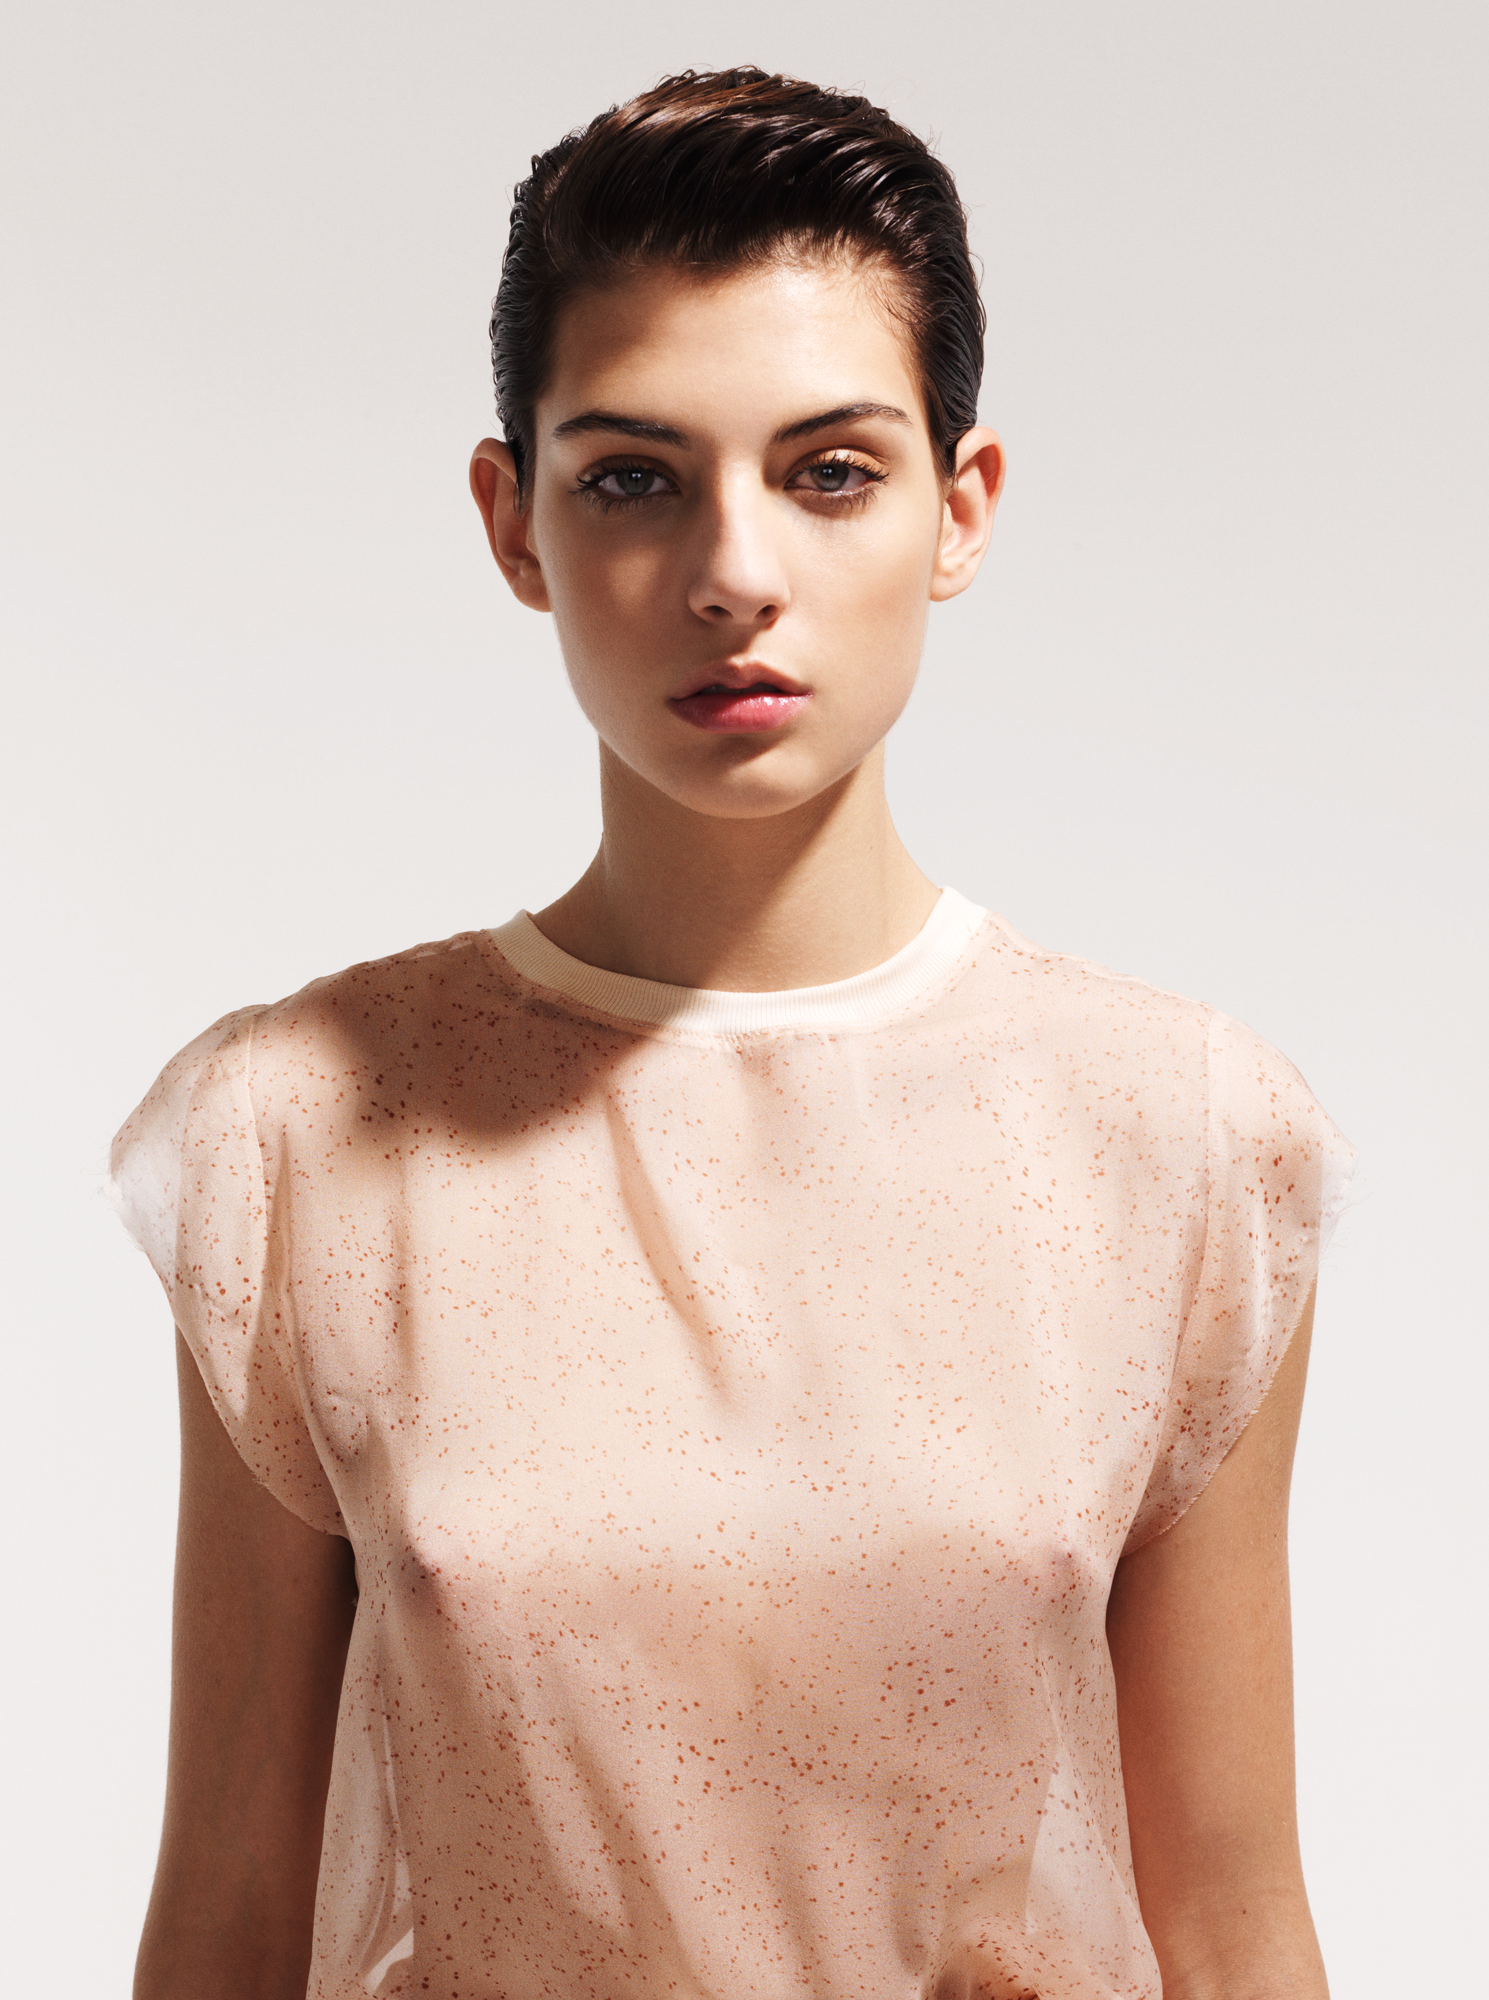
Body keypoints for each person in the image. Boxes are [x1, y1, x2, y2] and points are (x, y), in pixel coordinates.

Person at [111, 68, 1355, 2000]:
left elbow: (1235, 1923)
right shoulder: (304, 1136)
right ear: (514, 522)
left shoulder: (1180, 1137)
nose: (734, 574)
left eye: (830, 471)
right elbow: (227, 1914)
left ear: (960, 508)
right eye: (634, 476)